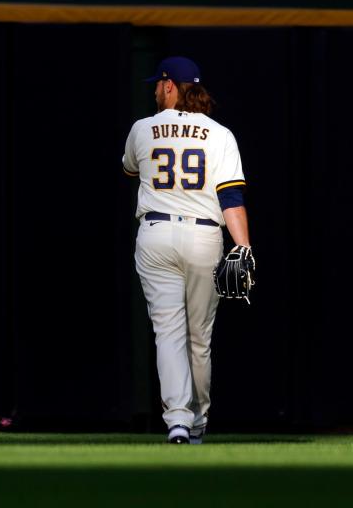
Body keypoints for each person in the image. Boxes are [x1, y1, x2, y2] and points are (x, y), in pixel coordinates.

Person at [121, 55, 252, 444]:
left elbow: (130, 169)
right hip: (204, 235)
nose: (155, 90)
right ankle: (197, 421)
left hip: (156, 232)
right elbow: (231, 196)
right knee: (199, 337)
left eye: (159, 84)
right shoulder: (219, 133)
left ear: (169, 86)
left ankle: (177, 420)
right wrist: (243, 247)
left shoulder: (142, 129)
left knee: (169, 333)